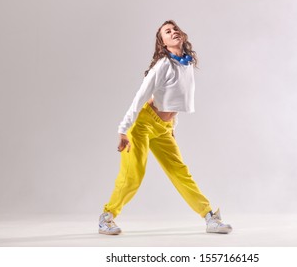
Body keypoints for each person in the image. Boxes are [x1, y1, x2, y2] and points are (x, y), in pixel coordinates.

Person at [98, 20, 232, 235]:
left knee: (180, 172)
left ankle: (209, 218)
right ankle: (107, 217)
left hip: (163, 128)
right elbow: (140, 97)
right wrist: (123, 130)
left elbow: (174, 99)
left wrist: (171, 125)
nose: (174, 32)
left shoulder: (186, 63)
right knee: (134, 174)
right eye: (167, 32)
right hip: (142, 125)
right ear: (163, 42)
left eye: (175, 29)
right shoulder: (163, 65)